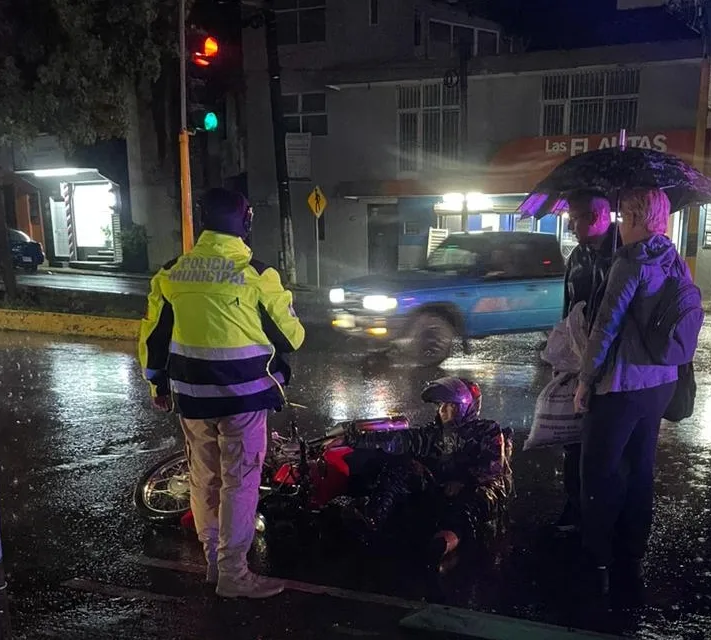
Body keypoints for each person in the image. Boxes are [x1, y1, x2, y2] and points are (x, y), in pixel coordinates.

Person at [138, 188, 306, 599]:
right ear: (246, 223)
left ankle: (214, 563)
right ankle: (234, 573)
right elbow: (292, 337)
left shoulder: (172, 272)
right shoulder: (256, 274)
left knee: (204, 478)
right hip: (243, 399)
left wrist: (157, 382)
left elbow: (153, 337)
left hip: (193, 398)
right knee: (240, 481)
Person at [573, 188, 684, 599]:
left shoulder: (631, 260)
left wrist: (585, 380)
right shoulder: (674, 260)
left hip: (622, 385)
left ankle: (597, 559)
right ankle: (632, 552)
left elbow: (606, 325)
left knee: (599, 472)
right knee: (640, 469)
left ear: (637, 218)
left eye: (624, 216)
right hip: (661, 382)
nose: (621, 223)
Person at [341, 377, 512, 568]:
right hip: (438, 484)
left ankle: (443, 544)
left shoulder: (487, 431)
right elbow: (405, 439)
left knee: (468, 507)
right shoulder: (434, 433)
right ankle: (372, 518)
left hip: (472, 489)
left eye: (451, 406)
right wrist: (360, 439)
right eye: (442, 406)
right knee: (400, 468)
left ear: (466, 408)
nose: (444, 411)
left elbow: (493, 467)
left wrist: (464, 482)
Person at [555, 191, 621, 536]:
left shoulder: (622, 254)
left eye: (575, 216)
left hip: (606, 364)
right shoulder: (578, 256)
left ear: (597, 218)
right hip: (575, 357)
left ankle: (599, 515)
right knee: (571, 436)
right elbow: (568, 306)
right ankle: (574, 504)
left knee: (600, 443)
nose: (569, 223)